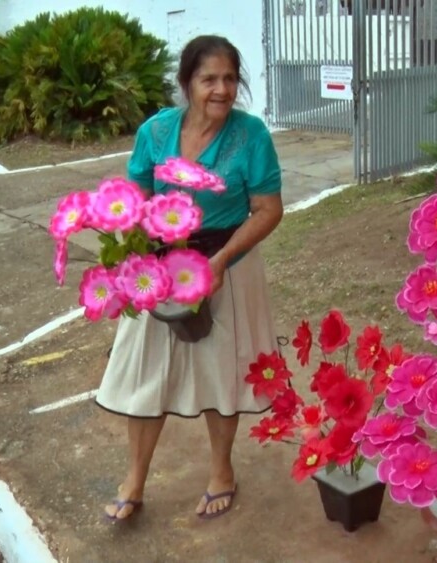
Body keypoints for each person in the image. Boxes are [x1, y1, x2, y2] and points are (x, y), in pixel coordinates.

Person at [95, 35, 284, 521]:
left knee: (223, 375)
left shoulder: (251, 136)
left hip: (228, 267)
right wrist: (130, 250)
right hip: (160, 269)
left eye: (228, 79)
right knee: (147, 375)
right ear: (186, 84)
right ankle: (135, 478)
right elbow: (136, 197)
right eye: (208, 79)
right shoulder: (156, 133)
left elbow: (267, 209)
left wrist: (220, 261)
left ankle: (222, 470)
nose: (221, 90)